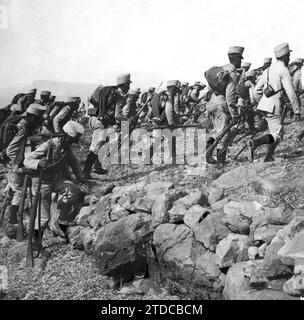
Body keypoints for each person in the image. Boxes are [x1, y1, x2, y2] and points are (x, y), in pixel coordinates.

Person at [23, 121, 87, 253]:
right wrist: (38, 163)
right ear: (66, 136)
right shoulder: (49, 145)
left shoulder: (66, 148)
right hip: (42, 182)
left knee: (76, 192)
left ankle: (62, 219)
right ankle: (36, 242)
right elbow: (27, 160)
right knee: (43, 215)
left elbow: (74, 163)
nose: (74, 142)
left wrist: (81, 178)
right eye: (73, 139)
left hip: (58, 180)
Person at [250, 42, 299, 162]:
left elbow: (256, 91)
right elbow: (291, 92)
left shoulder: (267, 70)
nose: (289, 58)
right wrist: (297, 110)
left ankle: (268, 156)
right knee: (277, 135)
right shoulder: (283, 70)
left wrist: (260, 103)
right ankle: (255, 142)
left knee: (275, 131)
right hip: (275, 106)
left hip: (264, 106)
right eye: (288, 56)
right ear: (285, 56)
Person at [4, 103, 47, 238]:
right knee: (19, 190)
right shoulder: (23, 126)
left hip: (14, 163)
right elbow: (11, 150)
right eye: (39, 118)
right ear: (33, 117)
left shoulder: (24, 123)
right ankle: (12, 218)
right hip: (14, 164)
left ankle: (11, 216)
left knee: (14, 189)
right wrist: (18, 163)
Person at [83, 73, 132, 179]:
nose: (129, 87)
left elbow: (92, 99)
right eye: (128, 84)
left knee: (103, 142)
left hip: (96, 120)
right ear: (123, 85)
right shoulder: (119, 96)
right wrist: (127, 121)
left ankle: (96, 166)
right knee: (96, 147)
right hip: (101, 123)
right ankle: (85, 172)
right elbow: (118, 115)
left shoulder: (108, 91)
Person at [206, 45, 245, 165]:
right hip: (221, 105)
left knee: (217, 131)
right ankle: (220, 161)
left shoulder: (222, 69)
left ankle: (208, 152)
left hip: (212, 103)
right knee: (224, 134)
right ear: (236, 59)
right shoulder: (232, 73)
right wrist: (234, 114)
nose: (241, 61)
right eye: (240, 59)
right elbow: (230, 97)